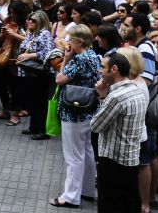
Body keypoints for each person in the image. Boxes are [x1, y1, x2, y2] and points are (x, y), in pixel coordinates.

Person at [91, 51, 149, 213]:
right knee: (129, 203)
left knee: (110, 206)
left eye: (103, 67)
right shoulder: (137, 89)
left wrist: (102, 97)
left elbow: (95, 126)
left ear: (114, 69)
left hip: (112, 162)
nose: (100, 71)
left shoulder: (116, 96)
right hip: (131, 158)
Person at [50, 24, 100, 208]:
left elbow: (59, 78)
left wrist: (66, 57)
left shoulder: (79, 59)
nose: (67, 42)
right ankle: (87, 189)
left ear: (79, 41)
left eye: (70, 39)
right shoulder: (94, 56)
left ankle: (70, 196)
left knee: (73, 155)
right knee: (86, 150)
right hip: (88, 110)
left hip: (73, 111)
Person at [17, 10, 54, 140]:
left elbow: (48, 53)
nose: (30, 22)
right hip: (30, 73)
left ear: (40, 22)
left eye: (33, 20)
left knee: (41, 102)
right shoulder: (30, 34)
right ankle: (33, 126)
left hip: (41, 74)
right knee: (33, 101)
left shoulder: (45, 34)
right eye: (29, 19)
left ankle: (42, 130)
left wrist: (30, 55)